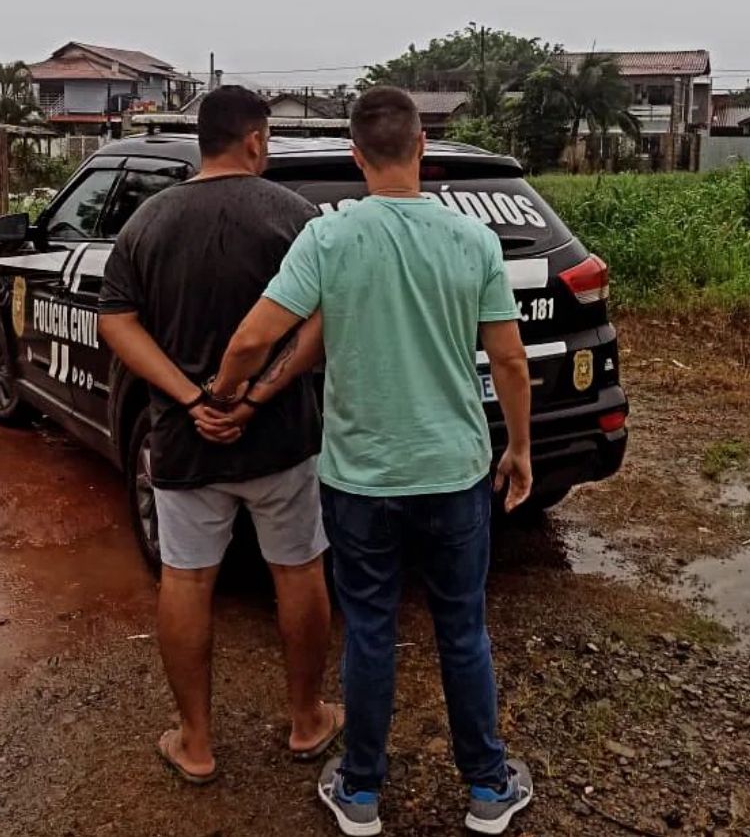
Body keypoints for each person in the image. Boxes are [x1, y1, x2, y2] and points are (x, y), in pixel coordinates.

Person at [209, 86, 535, 835]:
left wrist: (225, 394)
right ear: (421, 147)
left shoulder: (329, 238)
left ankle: (359, 792)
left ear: (357, 157)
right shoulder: (472, 242)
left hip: (358, 479)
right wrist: (516, 449)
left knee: (369, 630)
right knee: (462, 630)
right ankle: (486, 787)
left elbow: (254, 339)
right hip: (454, 471)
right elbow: (509, 362)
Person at [97, 85, 342, 785]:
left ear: (201, 140)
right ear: (255, 140)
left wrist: (189, 397)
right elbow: (322, 321)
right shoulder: (295, 218)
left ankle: (196, 743)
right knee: (296, 570)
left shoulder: (148, 220)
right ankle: (305, 720)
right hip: (281, 437)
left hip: (184, 441)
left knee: (187, 576)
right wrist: (256, 397)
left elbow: (117, 321)